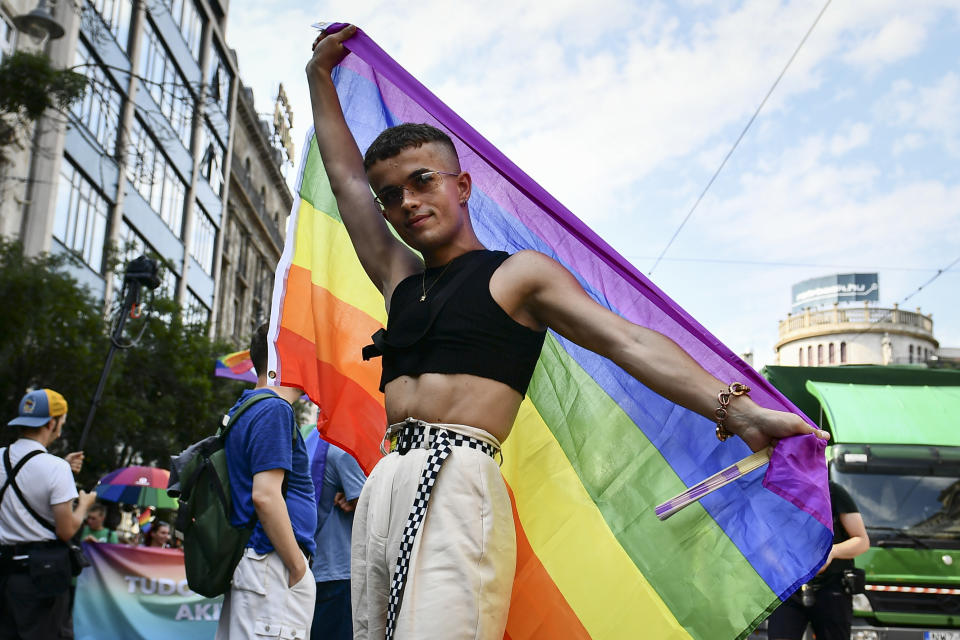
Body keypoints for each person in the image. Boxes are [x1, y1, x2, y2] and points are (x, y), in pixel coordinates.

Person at [306, 26, 831, 639]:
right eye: (392, 195)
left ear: (462, 185)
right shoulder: (399, 279)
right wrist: (320, 79)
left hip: (457, 479)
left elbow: (625, 340)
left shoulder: (518, 276)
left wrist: (738, 412)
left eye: (423, 180)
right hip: (388, 479)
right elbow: (346, 182)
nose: (407, 202)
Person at [215, 324, 318, 640]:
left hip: (263, 563)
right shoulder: (273, 408)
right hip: (272, 563)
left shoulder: (251, 406)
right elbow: (265, 496)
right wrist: (297, 566)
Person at [0, 388, 96, 639]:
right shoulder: (56, 468)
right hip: (40, 579)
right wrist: (84, 505)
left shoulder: (0, 457)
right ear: (52, 423)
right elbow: (66, 531)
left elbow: (24, 481)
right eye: (61, 422)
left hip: (4, 573)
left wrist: (62, 465)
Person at [767, 481, 870, 640]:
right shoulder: (777, 489)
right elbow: (763, 541)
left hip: (831, 587)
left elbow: (862, 541)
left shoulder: (834, 492)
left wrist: (832, 552)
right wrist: (780, 565)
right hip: (787, 587)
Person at [310, 441, 367, 640]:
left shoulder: (313, 442)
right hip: (340, 572)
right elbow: (371, 511)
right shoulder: (344, 451)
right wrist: (365, 487)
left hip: (316, 568)